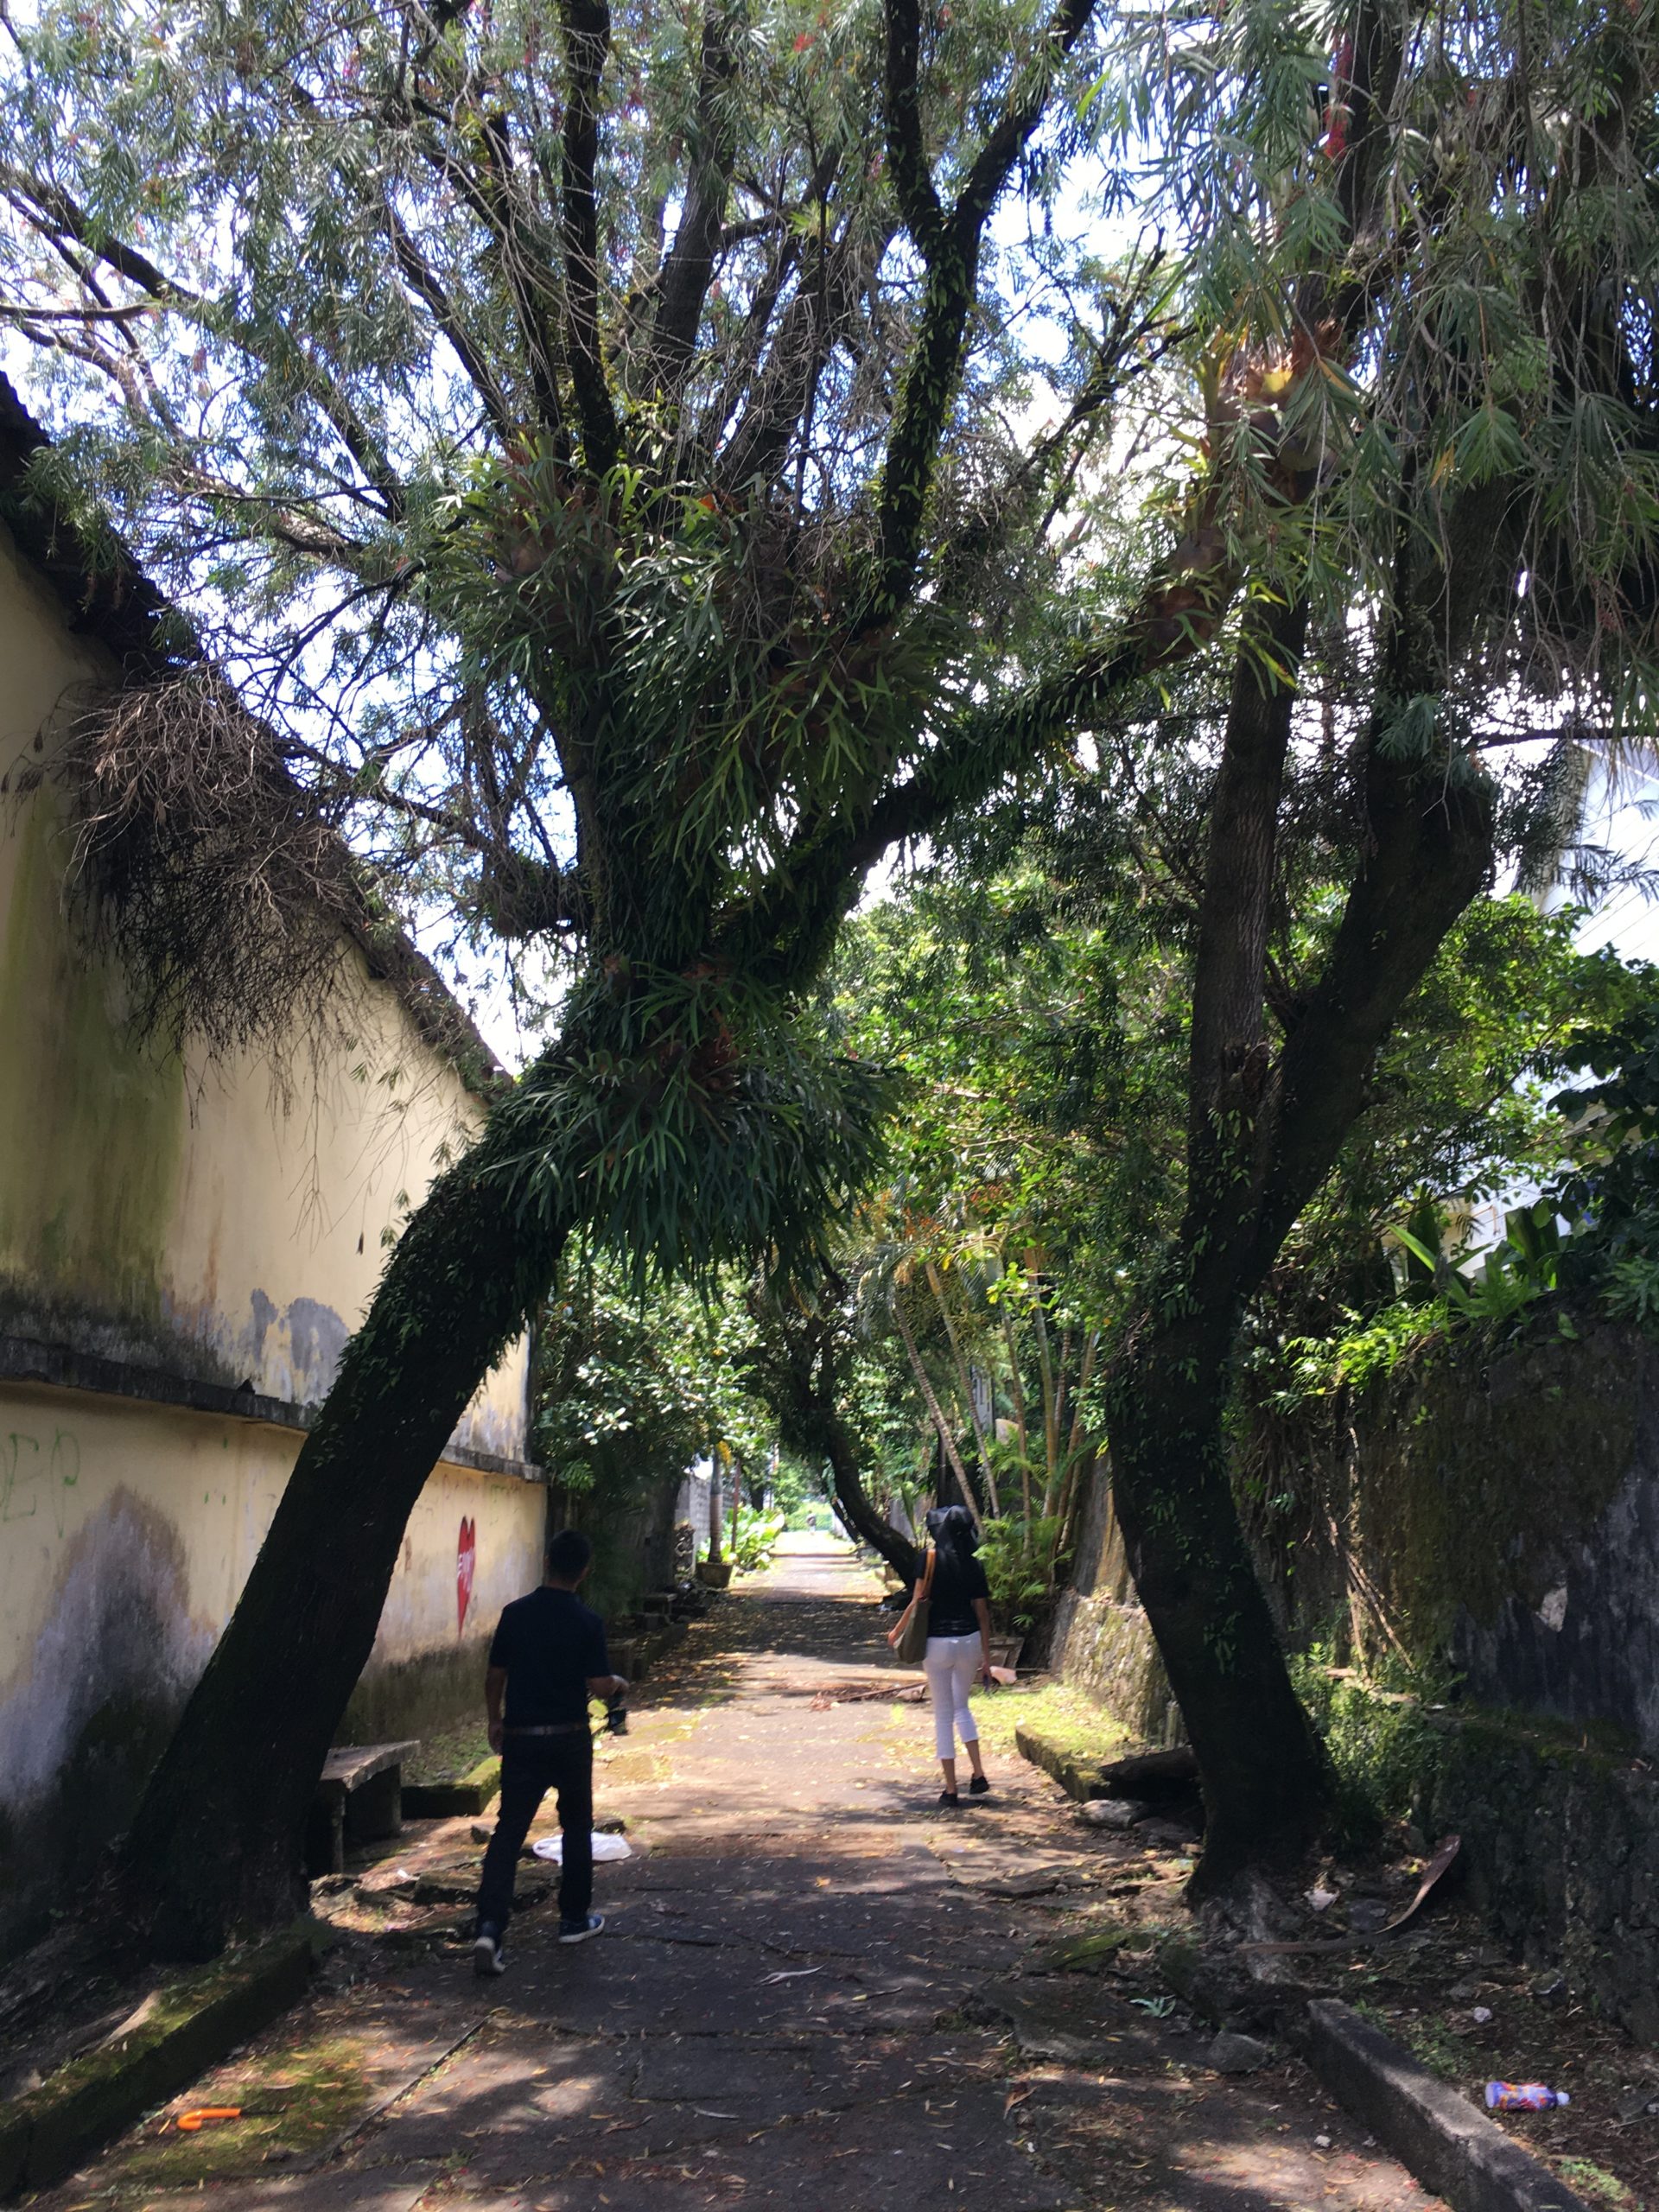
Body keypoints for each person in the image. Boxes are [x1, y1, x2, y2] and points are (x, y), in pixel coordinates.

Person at [471, 1527, 629, 1975]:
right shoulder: (587, 1621)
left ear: (546, 1562)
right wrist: (619, 1684)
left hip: (522, 1736)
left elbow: (494, 1674)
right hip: (570, 1736)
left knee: (508, 1832)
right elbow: (600, 1685)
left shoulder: (514, 1614)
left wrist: (494, 1719)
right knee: (576, 1826)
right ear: (584, 1572)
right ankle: (574, 1919)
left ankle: (489, 1927)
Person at [888, 1503, 994, 1808]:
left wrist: (897, 1631)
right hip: (969, 1643)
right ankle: (978, 1774)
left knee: (943, 1714)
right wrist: (986, 1660)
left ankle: (951, 1790)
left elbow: (918, 1600)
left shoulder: (930, 1558)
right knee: (963, 1708)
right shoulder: (975, 1565)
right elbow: (983, 1614)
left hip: (937, 1645)